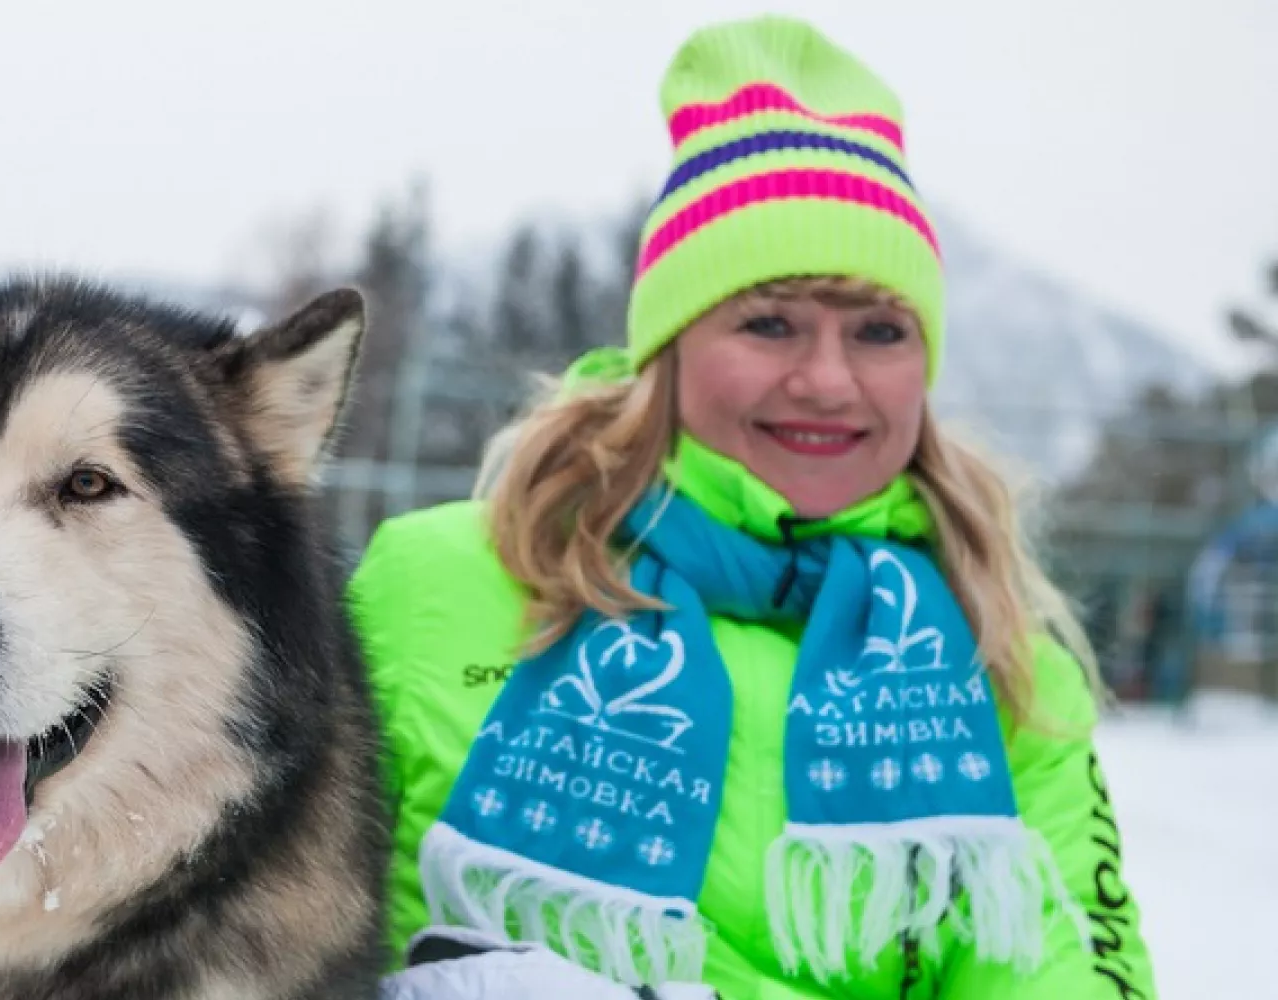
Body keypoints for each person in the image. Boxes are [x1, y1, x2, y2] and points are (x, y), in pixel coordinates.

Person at [353, 15, 1156, 1000]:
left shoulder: (998, 652)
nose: (827, 380)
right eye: (769, 322)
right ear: (670, 350)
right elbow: (245, 925)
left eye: (879, 330)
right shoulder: (433, 578)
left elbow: (1071, 970)